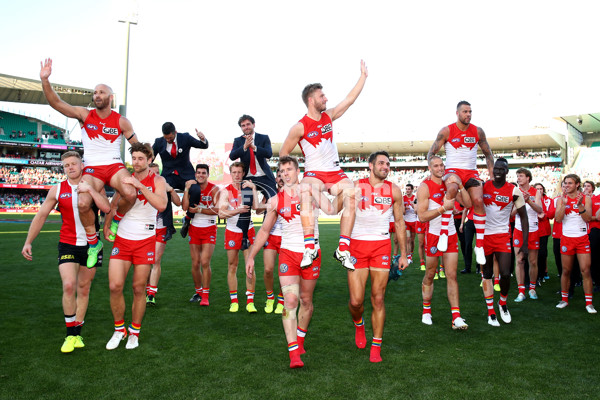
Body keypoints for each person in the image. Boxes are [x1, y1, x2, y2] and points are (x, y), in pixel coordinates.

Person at [40, 58, 138, 268]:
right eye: (95, 93)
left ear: (110, 97)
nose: (97, 95)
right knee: (83, 203)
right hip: (92, 167)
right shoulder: (85, 115)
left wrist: (144, 160)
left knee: (131, 193)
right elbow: (57, 103)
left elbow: (137, 147)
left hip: (113, 165)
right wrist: (45, 80)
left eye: (101, 92)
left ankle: (117, 219)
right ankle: (94, 244)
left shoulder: (121, 121)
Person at [279, 60, 368, 270]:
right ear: (311, 100)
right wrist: (291, 175)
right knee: (306, 193)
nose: (326, 98)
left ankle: (342, 249)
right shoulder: (299, 127)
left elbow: (350, 100)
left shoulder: (328, 116)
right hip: (314, 173)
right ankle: (310, 247)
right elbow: (284, 153)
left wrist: (363, 77)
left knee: (353, 194)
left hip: (335, 172)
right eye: (322, 96)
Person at [21, 151, 110, 353]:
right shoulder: (57, 189)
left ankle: (77, 332)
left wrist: (92, 191)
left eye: (73, 164)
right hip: (68, 243)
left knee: (84, 288)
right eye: (66, 165)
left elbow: (106, 208)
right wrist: (28, 241)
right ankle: (70, 335)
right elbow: (41, 215)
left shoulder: (94, 185)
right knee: (69, 285)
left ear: (81, 165)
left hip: (91, 245)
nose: (70, 168)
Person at [245, 155, 325, 368]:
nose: (286, 173)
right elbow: (264, 230)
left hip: (312, 254)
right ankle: (293, 354)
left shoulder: (310, 192)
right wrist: (251, 256)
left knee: (306, 300)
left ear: (298, 171)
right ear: (279, 175)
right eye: (282, 171)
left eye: (290, 169)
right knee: (290, 301)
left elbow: (333, 208)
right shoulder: (275, 200)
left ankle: (300, 340)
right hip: (288, 254)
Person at [344, 151, 409, 362]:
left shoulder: (395, 190)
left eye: (388, 164)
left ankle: (376, 346)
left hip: (381, 246)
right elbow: (344, 214)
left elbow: (399, 222)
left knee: (378, 298)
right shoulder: (356, 186)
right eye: (381, 163)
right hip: (356, 246)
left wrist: (403, 254)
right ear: (370, 166)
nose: (385, 166)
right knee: (356, 301)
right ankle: (359, 324)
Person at [104, 143, 167, 350]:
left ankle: (134, 332)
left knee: (139, 288)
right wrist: (107, 226)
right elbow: (114, 206)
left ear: (149, 160)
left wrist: (140, 186)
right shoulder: (123, 179)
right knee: (115, 286)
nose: (136, 162)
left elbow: (162, 205)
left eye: (141, 158)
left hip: (145, 240)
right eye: (134, 158)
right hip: (122, 239)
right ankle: (119, 329)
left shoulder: (158, 180)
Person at [427, 101, 494, 267]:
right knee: (451, 189)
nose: (468, 114)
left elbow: (488, 153)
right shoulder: (447, 130)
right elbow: (431, 152)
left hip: (471, 171)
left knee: (478, 201)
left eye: (470, 111)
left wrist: (491, 175)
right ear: (457, 113)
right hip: (452, 170)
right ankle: (444, 233)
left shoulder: (478, 131)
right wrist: (434, 170)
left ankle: (479, 245)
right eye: (465, 111)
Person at [417, 156, 472, 329]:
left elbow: (468, 204)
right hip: (433, 234)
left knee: (452, 275)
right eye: (436, 166)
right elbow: (422, 216)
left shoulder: (450, 183)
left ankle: (456, 316)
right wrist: (443, 209)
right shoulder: (425, 187)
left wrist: (461, 185)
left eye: (442, 165)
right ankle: (426, 310)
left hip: (450, 234)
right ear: (430, 168)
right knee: (430, 274)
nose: (440, 168)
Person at [480, 158, 528, 326]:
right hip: (484, 237)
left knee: (506, 274)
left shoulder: (514, 190)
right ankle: (490, 311)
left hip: (502, 236)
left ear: (507, 171)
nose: (498, 171)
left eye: (502, 169)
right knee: (487, 274)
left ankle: (502, 303)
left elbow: (524, 216)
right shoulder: (483, 186)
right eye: (496, 168)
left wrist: (525, 243)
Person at [152, 122, 209, 238]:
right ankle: (169, 227)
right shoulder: (159, 142)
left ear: (175, 133)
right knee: (163, 191)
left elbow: (203, 145)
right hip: (169, 175)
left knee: (196, 190)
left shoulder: (185, 137)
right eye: (166, 138)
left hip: (186, 174)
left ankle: (187, 219)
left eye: (170, 138)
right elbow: (150, 157)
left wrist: (203, 139)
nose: (168, 140)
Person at [218, 162, 260, 313]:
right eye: (234, 172)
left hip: (248, 230)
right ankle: (234, 301)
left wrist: (254, 188)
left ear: (243, 174)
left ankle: (250, 301)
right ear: (231, 173)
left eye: (239, 172)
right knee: (232, 266)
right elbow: (221, 213)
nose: (236, 175)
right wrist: (237, 210)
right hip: (232, 231)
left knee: (250, 266)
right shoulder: (225, 191)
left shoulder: (247, 189)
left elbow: (256, 207)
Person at [555, 174, 596, 313]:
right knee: (566, 270)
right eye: (565, 183)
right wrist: (564, 205)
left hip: (582, 238)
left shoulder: (586, 199)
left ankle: (589, 303)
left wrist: (579, 205)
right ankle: (564, 299)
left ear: (577, 184)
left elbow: (588, 218)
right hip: (567, 238)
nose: (566, 185)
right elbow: (558, 219)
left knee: (585, 270)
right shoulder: (561, 199)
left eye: (570, 183)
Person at [182, 164, 220, 306]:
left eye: (203, 173)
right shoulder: (192, 187)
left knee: (205, 262)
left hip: (209, 227)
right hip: (194, 228)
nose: (201, 175)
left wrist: (201, 210)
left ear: (208, 174)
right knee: (195, 262)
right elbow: (185, 207)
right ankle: (198, 292)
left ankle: (205, 295)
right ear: (195, 174)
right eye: (198, 173)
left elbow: (218, 210)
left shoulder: (215, 189)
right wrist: (186, 189)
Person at [146, 163, 182, 306]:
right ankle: (145, 288)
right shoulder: (142, 187)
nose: (154, 175)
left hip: (161, 227)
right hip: (143, 229)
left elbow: (178, 203)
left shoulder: (165, 185)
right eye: (152, 172)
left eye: (157, 173)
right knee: (144, 261)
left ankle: (151, 293)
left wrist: (171, 190)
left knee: (155, 260)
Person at [512, 168, 543, 302]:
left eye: (521, 176)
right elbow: (511, 214)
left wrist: (529, 201)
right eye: (517, 176)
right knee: (519, 260)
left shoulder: (535, 192)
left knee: (533, 261)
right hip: (519, 230)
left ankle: (532, 288)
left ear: (528, 178)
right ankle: (521, 291)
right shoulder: (514, 191)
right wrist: (518, 203)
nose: (518, 178)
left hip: (533, 230)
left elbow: (540, 210)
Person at [262, 169, 285, 314]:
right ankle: (270, 297)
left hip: (287, 238)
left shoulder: (294, 193)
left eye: (283, 174)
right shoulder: (269, 193)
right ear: (276, 179)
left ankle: (281, 300)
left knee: (284, 272)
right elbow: (257, 209)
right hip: (270, 236)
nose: (281, 177)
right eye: (278, 175)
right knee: (268, 269)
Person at [535, 183, 552, 284]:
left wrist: (543, 214)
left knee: (542, 254)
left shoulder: (548, 200)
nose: (539, 190)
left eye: (541, 188)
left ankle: (541, 274)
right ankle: (534, 275)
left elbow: (551, 213)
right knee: (532, 254)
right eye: (537, 189)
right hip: (533, 230)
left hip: (544, 231)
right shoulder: (531, 199)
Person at [403, 183, 418, 265]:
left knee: (412, 240)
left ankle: (411, 254)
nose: (407, 190)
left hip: (414, 221)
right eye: (406, 189)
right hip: (406, 221)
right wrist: (404, 208)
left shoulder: (415, 198)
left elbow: (417, 210)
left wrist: (413, 205)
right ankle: (408, 256)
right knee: (408, 239)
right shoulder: (403, 198)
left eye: (409, 189)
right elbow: (403, 212)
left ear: (412, 190)